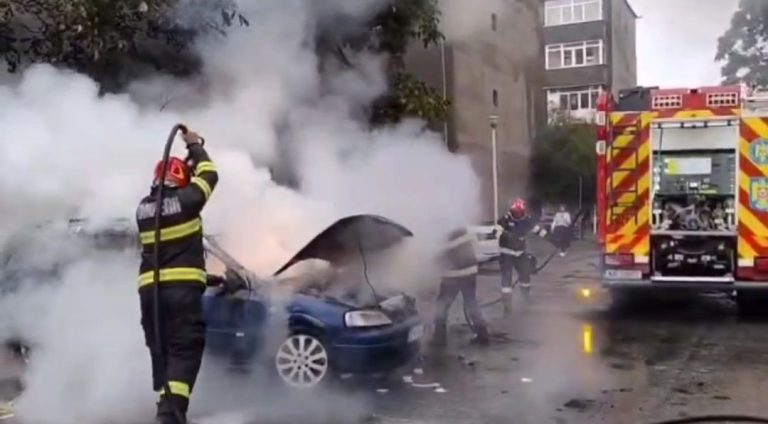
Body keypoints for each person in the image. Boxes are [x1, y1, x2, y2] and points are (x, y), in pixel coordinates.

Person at [135, 129, 218, 424]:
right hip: (180, 295)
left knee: (165, 352)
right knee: (185, 350)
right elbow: (210, 174)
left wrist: (203, 277)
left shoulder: (143, 209)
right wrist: (195, 146)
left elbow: (170, 254)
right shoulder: (187, 202)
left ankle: (166, 410)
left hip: (151, 294)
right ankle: (169, 417)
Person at [432, 228, 490, 346]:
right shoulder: (463, 230)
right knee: (471, 303)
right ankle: (483, 334)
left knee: (442, 305)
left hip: (453, 275)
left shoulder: (444, 234)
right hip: (470, 272)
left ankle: (439, 338)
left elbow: (439, 258)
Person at [496, 198, 547, 316]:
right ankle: (507, 307)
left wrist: (555, 240)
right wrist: (507, 236)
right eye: (516, 213)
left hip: (520, 253)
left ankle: (526, 298)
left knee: (525, 276)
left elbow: (539, 231)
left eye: (520, 213)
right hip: (506, 254)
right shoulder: (505, 219)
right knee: (506, 281)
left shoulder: (526, 220)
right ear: (512, 211)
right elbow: (496, 231)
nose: (518, 215)